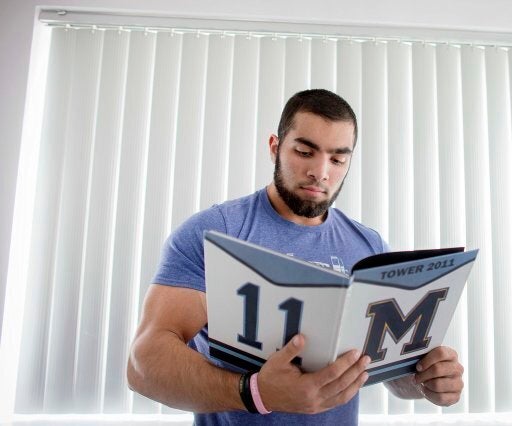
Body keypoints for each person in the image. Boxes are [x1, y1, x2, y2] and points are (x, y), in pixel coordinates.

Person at [127, 89, 464, 425]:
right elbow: (144, 365)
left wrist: (425, 377)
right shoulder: (215, 232)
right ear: (275, 147)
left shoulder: (368, 244)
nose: (320, 172)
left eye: (337, 159)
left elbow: (388, 375)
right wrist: (256, 392)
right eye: (305, 151)